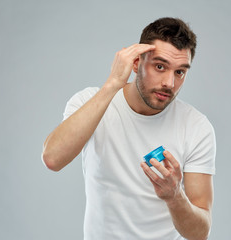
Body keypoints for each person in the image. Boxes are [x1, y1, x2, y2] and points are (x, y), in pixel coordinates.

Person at [42, 17, 216, 240]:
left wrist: (174, 196)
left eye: (180, 72)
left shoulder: (196, 127)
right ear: (136, 63)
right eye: (160, 66)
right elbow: (52, 159)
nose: (169, 83)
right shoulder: (89, 101)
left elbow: (200, 233)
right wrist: (114, 83)